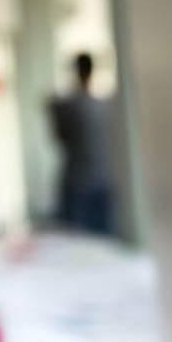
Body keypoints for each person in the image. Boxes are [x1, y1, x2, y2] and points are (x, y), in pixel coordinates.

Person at [50, 53, 114, 236]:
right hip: (98, 178)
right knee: (99, 239)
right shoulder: (102, 105)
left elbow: (59, 137)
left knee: (77, 239)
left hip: (80, 182)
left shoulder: (67, 106)